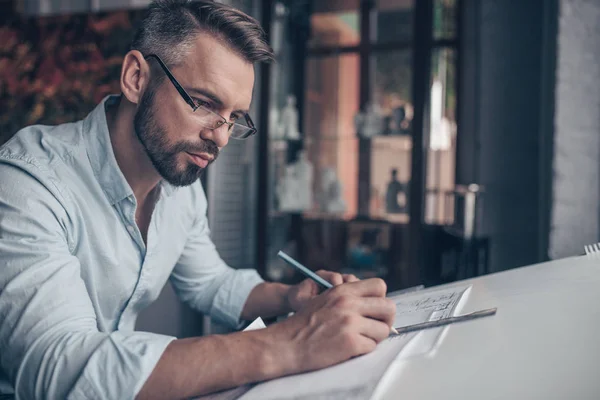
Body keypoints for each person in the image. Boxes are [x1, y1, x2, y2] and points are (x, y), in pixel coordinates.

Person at [0, 1, 396, 399]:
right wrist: (292, 342)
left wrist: (289, 296)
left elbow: (209, 282)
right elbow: (56, 366)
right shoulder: (28, 183)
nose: (221, 137)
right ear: (136, 78)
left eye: (234, 117)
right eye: (204, 103)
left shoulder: (178, 184)